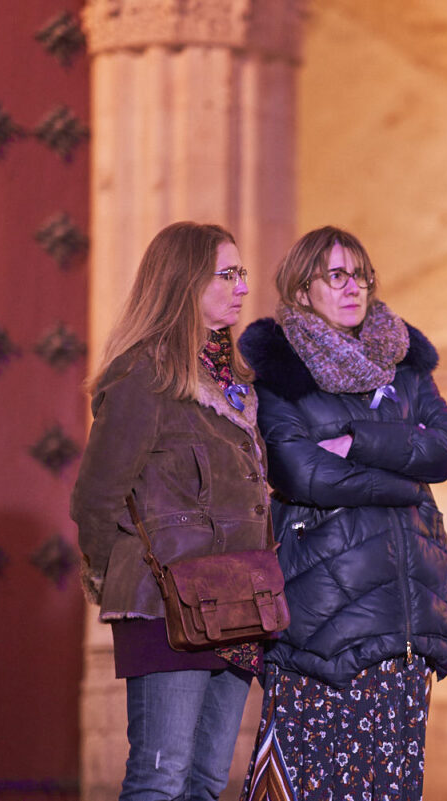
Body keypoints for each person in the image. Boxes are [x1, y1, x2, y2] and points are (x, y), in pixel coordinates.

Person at [236, 226, 447, 801]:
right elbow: (302, 472)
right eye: (337, 276)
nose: (353, 288)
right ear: (302, 288)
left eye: (361, 276)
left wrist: (360, 441)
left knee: (391, 783)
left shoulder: (405, 365)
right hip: (323, 611)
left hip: (407, 609)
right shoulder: (280, 371)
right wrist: (407, 480)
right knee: (311, 780)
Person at [71, 221, 269, 800]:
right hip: (168, 609)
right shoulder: (145, 374)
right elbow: (96, 497)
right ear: (184, 281)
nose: (242, 286)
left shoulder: (237, 384)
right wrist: (127, 575)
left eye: (241, 273)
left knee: (206, 783)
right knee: (161, 778)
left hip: (237, 606)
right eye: (227, 274)